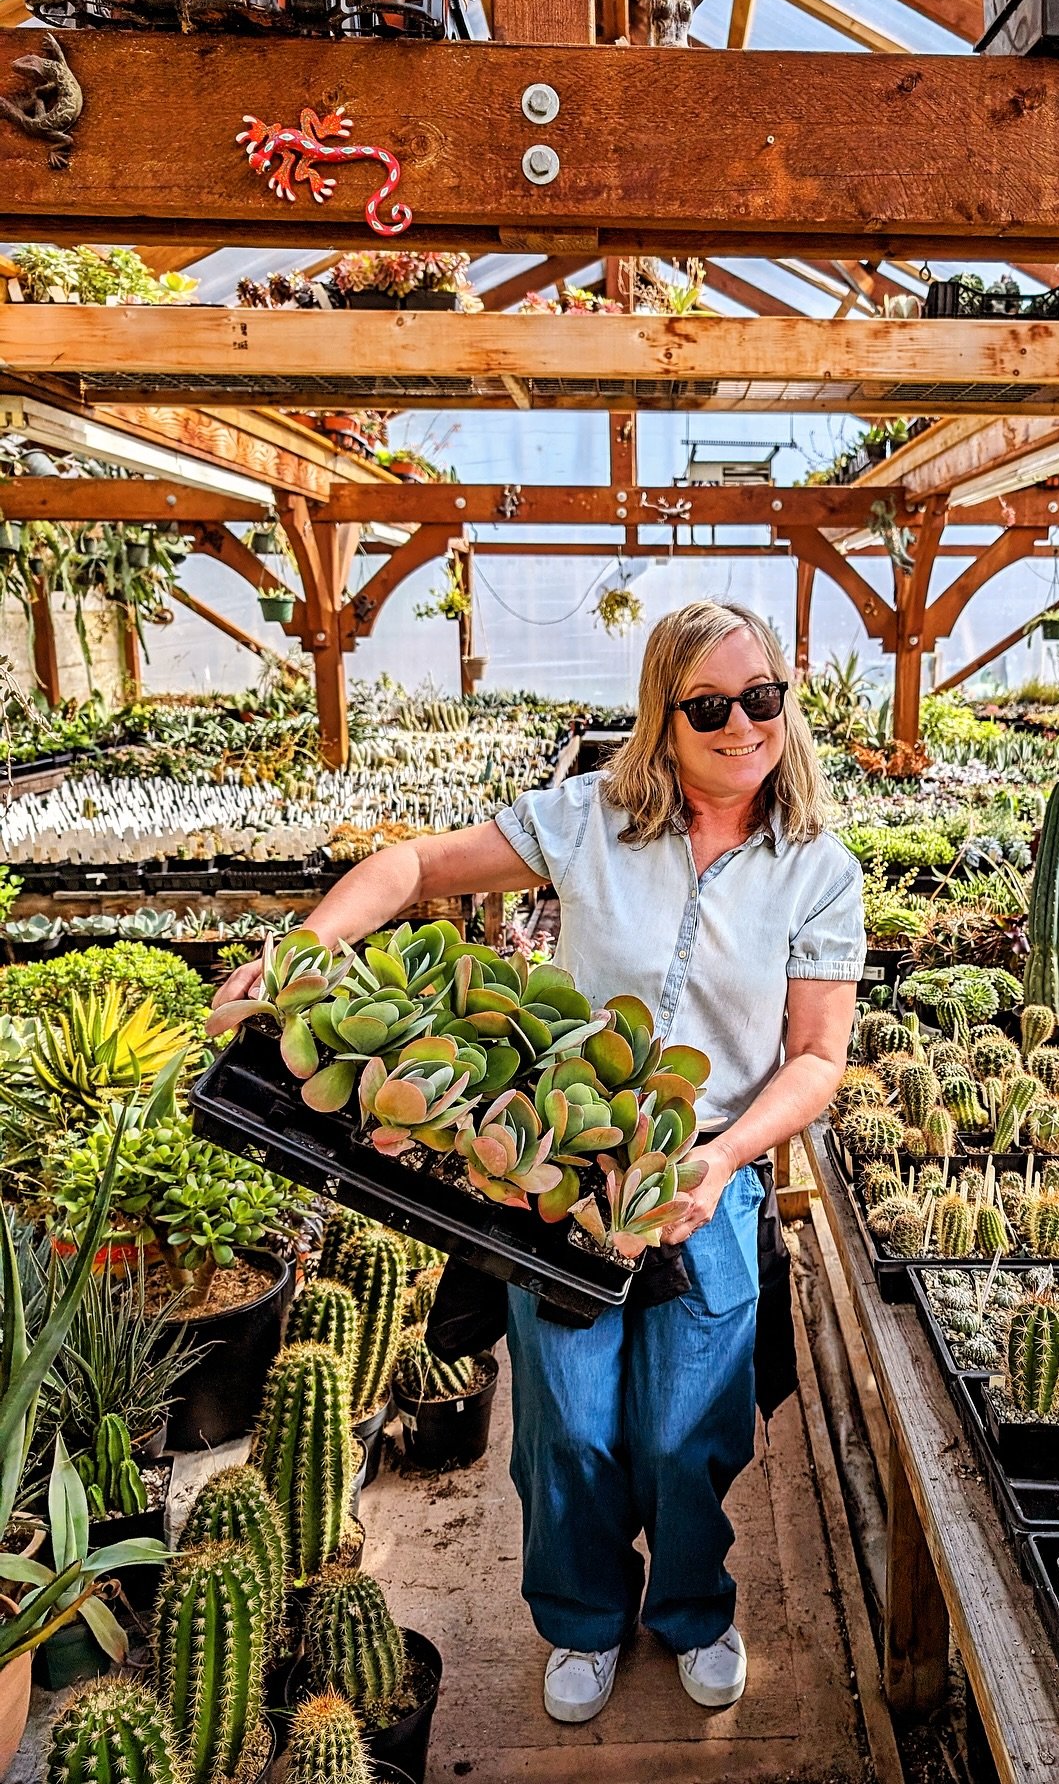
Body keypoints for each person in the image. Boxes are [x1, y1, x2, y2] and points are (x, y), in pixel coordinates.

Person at [214, 599, 863, 1722]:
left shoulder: (817, 869)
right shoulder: (590, 822)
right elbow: (415, 866)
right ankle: (581, 1619)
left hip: (708, 1176)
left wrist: (721, 1158)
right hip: (559, 1180)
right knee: (568, 1420)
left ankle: (694, 1607)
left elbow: (815, 1059)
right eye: (709, 706)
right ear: (663, 719)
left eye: (763, 698)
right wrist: (301, 958)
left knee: (690, 1426)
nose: (743, 726)